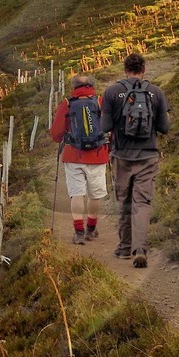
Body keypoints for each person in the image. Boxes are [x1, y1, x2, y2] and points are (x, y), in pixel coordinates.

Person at [101, 52, 170, 268]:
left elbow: (105, 127)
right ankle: (140, 249)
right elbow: (165, 127)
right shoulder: (156, 92)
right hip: (148, 156)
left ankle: (124, 248)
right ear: (144, 69)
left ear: (125, 70)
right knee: (142, 203)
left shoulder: (112, 92)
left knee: (124, 201)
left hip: (121, 156)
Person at [49, 74, 108, 244]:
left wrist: (62, 138)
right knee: (94, 195)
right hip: (98, 155)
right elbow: (109, 127)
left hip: (73, 155)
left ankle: (79, 232)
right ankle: (91, 229)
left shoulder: (67, 104)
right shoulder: (100, 102)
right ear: (92, 85)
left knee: (77, 194)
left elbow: (56, 134)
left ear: (74, 87)